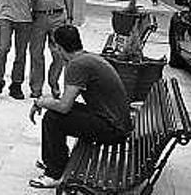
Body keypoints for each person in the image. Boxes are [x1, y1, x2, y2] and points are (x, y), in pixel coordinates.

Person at [27, 25, 131, 189]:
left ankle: (54, 173)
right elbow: (67, 102)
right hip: (116, 121)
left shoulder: (76, 65)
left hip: (113, 129)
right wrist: (47, 101)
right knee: (56, 112)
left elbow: (63, 107)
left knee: (53, 118)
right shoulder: (87, 58)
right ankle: (54, 159)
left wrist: (40, 102)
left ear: (59, 47)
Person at [29, 0, 74, 100]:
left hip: (57, 18)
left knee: (59, 54)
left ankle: (54, 82)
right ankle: (36, 88)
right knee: (36, 54)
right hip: (38, 18)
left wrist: (70, 17)